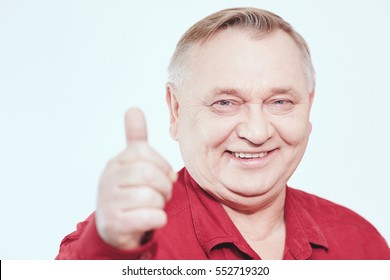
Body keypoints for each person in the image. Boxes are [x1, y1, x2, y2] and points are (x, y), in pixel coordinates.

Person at [56, 7, 390, 260]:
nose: (257, 132)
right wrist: (106, 253)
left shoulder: (361, 244)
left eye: (280, 101)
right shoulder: (119, 244)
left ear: (309, 106)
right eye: (226, 102)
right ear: (176, 110)